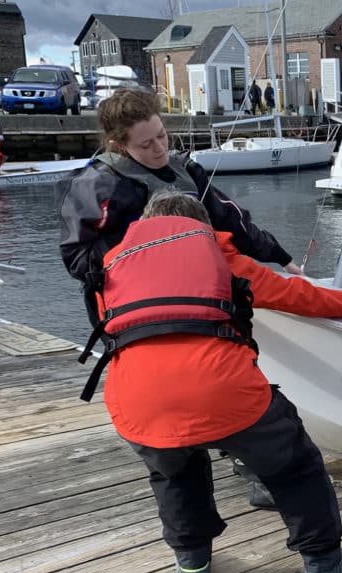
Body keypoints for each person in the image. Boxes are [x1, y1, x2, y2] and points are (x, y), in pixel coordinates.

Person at [78, 189, 342, 573]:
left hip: (137, 401)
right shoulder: (221, 258)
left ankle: (192, 570)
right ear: (203, 226)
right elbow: (299, 296)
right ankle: (323, 565)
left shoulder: (112, 266)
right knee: (294, 466)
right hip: (224, 392)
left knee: (174, 472)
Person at [57, 88, 302, 507]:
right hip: (135, 310)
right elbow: (77, 256)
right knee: (165, 391)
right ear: (119, 145)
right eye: (145, 144)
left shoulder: (186, 172)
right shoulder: (95, 186)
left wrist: (281, 257)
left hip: (203, 302)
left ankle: (256, 470)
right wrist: (143, 249)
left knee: (230, 377)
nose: (158, 149)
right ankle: (179, 462)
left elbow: (232, 220)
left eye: (161, 137)